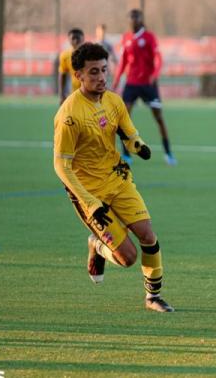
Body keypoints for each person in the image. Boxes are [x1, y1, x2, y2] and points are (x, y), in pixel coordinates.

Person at [53, 42, 174, 313]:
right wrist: (90, 203)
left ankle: (153, 297)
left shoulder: (114, 101)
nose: (101, 77)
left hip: (118, 180)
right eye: (93, 72)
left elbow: (128, 133)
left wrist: (138, 145)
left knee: (148, 235)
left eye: (104, 70)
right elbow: (61, 166)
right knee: (128, 258)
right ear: (79, 76)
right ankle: (97, 246)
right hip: (90, 194)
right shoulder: (69, 115)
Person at [113, 9, 177, 166]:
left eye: (136, 19)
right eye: (131, 19)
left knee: (159, 118)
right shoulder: (126, 38)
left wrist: (154, 74)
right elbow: (123, 62)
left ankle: (168, 153)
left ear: (141, 20)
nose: (133, 22)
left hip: (148, 84)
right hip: (131, 84)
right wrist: (115, 82)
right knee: (123, 118)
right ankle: (126, 154)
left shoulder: (149, 37)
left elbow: (158, 58)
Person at [58, 28, 85, 104]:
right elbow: (62, 75)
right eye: (73, 38)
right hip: (74, 92)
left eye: (78, 38)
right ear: (69, 40)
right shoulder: (65, 55)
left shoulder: (90, 54)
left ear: (83, 39)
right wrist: (61, 95)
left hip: (90, 91)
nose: (76, 41)